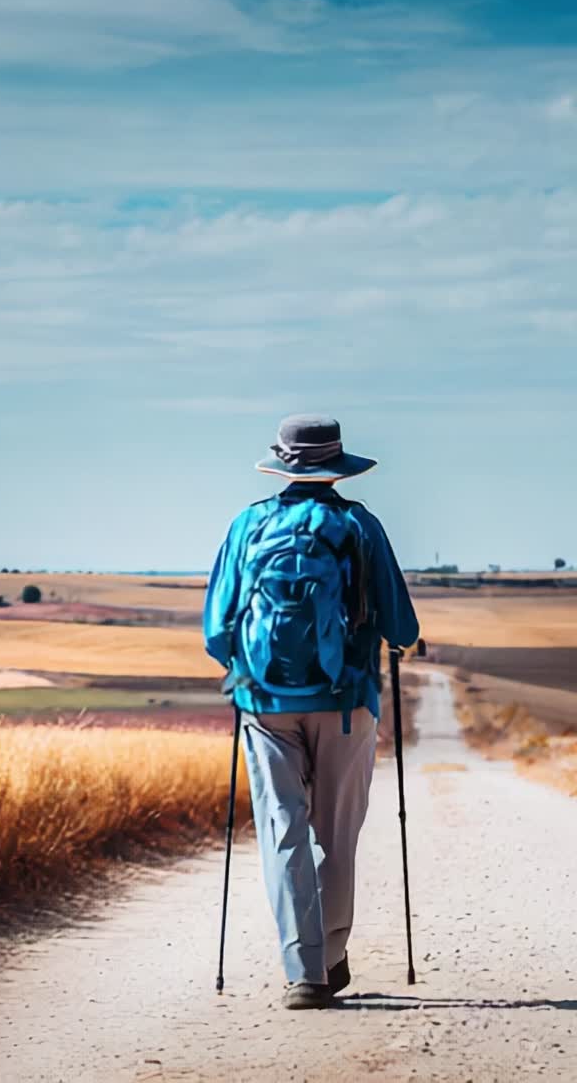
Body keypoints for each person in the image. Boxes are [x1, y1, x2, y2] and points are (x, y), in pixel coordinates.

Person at [203, 414, 419, 1010]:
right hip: (347, 703)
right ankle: (330, 955)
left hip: (266, 704)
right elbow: (402, 628)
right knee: (336, 835)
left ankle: (304, 973)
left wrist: (253, 668)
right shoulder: (358, 525)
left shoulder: (248, 524)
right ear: (338, 464)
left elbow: (216, 633)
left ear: (280, 463)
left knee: (283, 830)